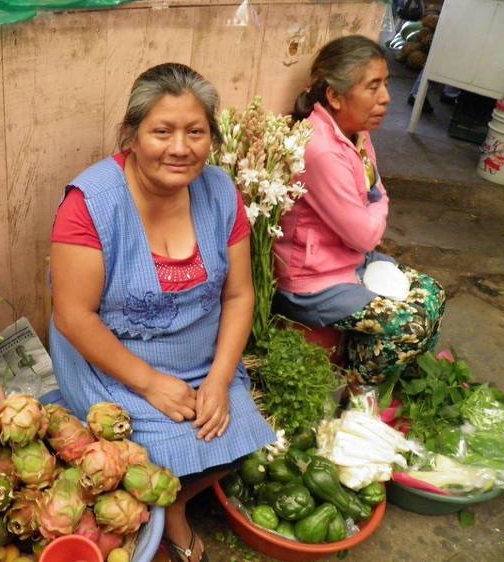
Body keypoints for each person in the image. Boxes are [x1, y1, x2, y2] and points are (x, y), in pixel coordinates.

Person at [49, 63, 275, 562]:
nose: (180, 147)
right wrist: (150, 383)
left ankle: (167, 493)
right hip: (114, 361)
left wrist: (217, 379)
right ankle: (172, 512)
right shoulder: (91, 203)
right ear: (131, 134)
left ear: (211, 137)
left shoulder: (220, 192)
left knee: (240, 431)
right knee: (156, 455)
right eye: (162, 131)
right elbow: (73, 316)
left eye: (195, 131)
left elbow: (239, 296)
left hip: (201, 358)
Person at [273, 35, 445, 386]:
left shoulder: (356, 134)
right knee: (411, 326)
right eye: (373, 86)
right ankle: (352, 388)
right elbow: (367, 230)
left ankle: (376, 369)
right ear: (335, 96)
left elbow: (372, 197)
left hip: (345, 262)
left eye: (385, 84)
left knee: (433, 294)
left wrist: (374, 198)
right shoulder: (320, 149)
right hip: (311, 281)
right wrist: (378, 199)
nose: (385, 98)